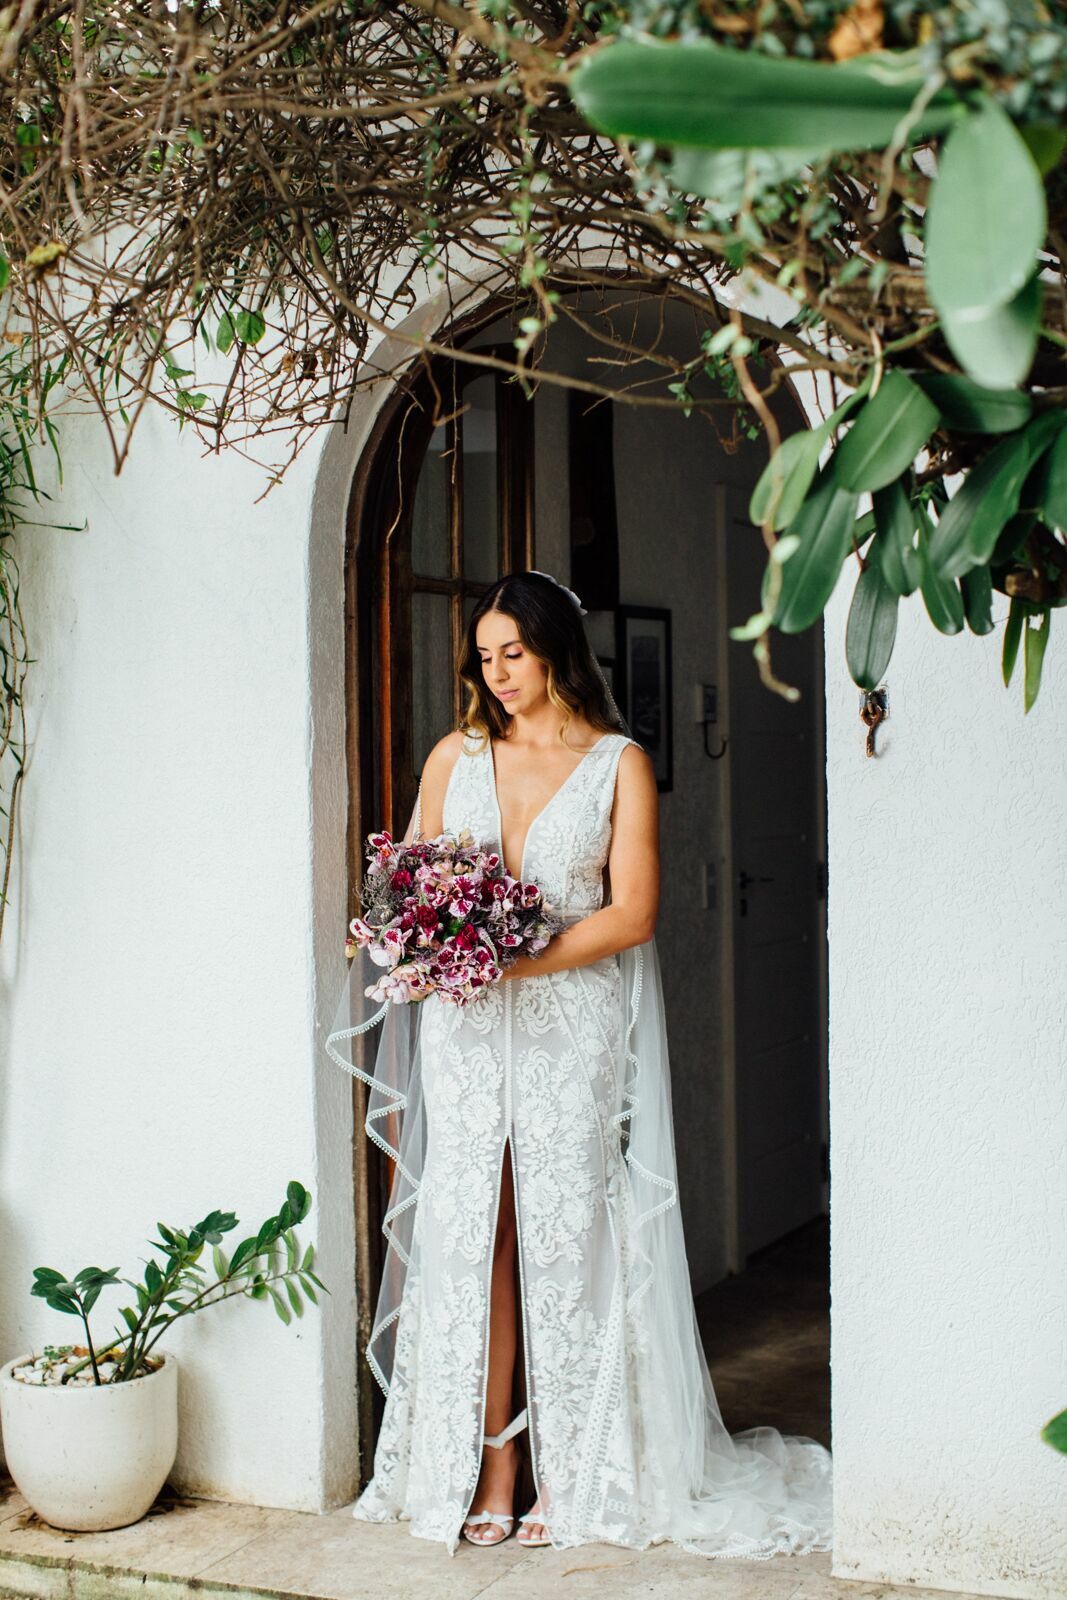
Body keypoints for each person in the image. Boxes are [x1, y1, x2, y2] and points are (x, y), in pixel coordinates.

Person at [328, 569, 833, 1559]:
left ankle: (578, 1464)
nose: (498, 673)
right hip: (469, 1034)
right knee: (478, 1234)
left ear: (556, 648)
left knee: (570, 1231)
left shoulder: (616, 763)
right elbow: (409, 891)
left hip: (571, 1030)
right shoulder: (453, 757)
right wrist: (435, 947)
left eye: (513, 652)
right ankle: (489, 1465)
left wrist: (506, 955)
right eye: (484, 657)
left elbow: (631, 910)